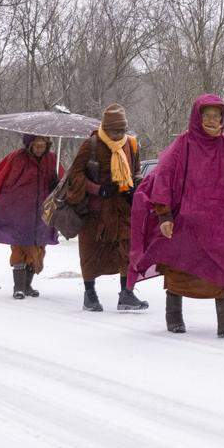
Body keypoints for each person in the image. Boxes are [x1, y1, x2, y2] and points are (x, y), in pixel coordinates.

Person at [129, 93, 224, 337]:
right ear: (197, 118)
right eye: (206, 116)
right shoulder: (182, 145)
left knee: (223, 265)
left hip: (221, 222)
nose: (211, 120)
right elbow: (162, 178)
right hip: (186, 222)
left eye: (216, 116)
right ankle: (174, 318)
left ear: (222, 120)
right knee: (179, 267)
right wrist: (164, 216)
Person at [64, 104, 148, 312]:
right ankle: (90, 294)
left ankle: (126, 294)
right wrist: (98, 189)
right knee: (90, 251)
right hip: (95, 211)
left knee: (126, 249)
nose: (118, 134)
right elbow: (75, 174)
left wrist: (134, 186)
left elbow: (136, 171)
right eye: (114, 130)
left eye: (122, 130)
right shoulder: (91, 144)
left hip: (121, 208)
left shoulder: (132, 145)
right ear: (105, 127)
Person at [0, 135, 64, 299]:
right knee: (20, 246)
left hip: (42, 212)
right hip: (18, 209)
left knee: (37, 247)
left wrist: (57, 185)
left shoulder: (52, 160)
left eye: (43, 145)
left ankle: (28, 286)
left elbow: (65, 184)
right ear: (30, 145)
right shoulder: (17, 158)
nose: (40, 149)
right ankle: (18, 287)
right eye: (36, 145)